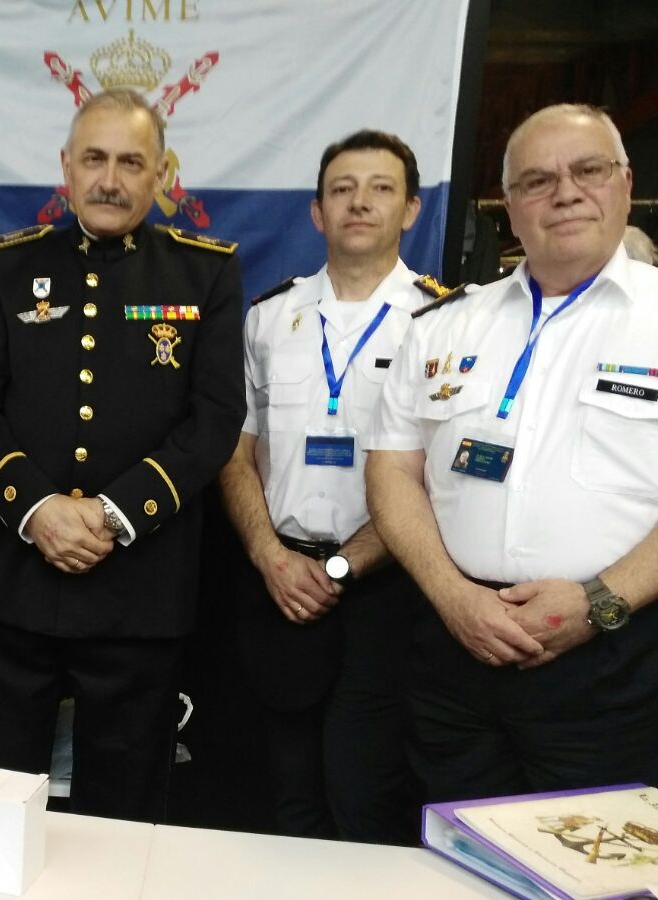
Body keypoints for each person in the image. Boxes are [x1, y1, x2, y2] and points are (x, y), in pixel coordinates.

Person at [365, 104, 658, 802]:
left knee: (604, 852)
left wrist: (599, 602)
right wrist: (452, 597)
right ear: (510, 208)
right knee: (450, 843)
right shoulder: (444, 324)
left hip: (618, 656)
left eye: (588, 170)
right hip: (457, 646)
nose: (564, 193)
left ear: (625, 185)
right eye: (537, 181)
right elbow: (391, 470)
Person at [0, 88, 245, 822]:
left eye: (130, 163)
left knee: (125, 817)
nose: (109, 179)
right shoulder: (8, 267)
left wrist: (115, 514)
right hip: (14, 583)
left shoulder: (204, 273)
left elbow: (214, 419)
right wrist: (36, 509)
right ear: (66, 168)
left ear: (162, 174)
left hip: (138, 591)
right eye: (94, 159)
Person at [202, 130, 431, 842]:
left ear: (411, 209)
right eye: (341, 189)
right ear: (316, 212)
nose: (359, 202)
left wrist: (341, 568)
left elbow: (437, 477)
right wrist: (270, 557)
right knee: (281, 794)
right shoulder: (270, 317)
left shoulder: (444, 322)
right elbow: (234, 453)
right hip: (278, 584)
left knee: (366, 794)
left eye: (380, 188)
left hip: (387, 588)